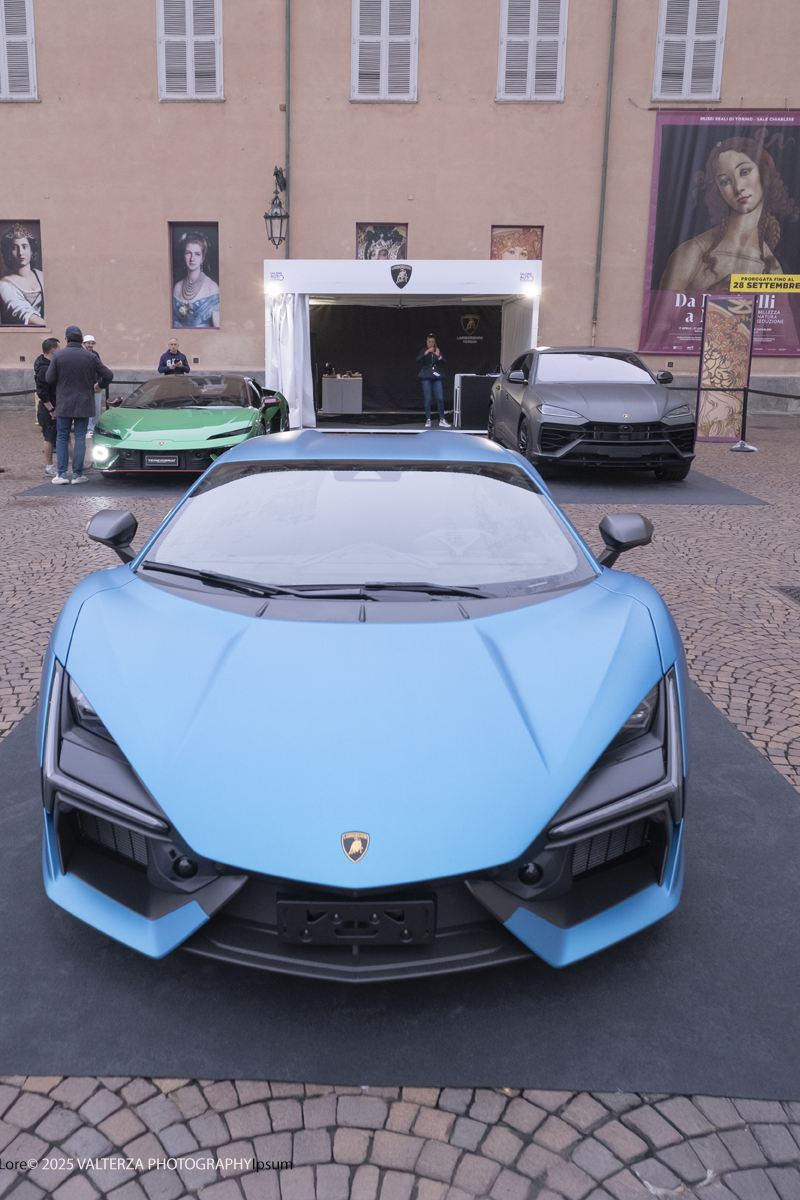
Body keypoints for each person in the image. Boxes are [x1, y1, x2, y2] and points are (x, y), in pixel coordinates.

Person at [659, 137, 800, 292]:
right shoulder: (691, 253)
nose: (738, 187)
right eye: (725, 181)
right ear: (718, 190)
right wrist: (711, 297)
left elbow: (777, 317)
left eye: (745, 172)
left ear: (763, 173)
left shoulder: (773, 270)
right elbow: (661, 316)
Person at [46, 326, 113, 484]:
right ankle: (77, 474)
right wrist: (99, 385)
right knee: (80, 438)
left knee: (62, 437)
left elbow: (49, 378)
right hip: (84, 401)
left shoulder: (58, 355)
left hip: (64, 402)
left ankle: (61, 474)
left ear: (66, 339)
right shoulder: (90, 356)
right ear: (82, 340)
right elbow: (108, 374)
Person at [0, 224, 45, 327]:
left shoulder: (42, 276)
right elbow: (23, 313)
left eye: (24, 246)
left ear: (31, 250)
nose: (21, 252)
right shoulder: (4, 284)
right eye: (15, 248)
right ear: (8, 253)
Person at [172, 231, 220, 328]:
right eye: (188, 253)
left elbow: (218, 327)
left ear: (202, 258)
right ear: (184, 255)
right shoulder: (178, 287)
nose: (192, 259)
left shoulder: (212, 287)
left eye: (197, 254)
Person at [34, 337, 60, 475]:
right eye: (58, 349)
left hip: (54, 405)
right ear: (53, 350)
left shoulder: (47, 364)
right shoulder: (44, 369)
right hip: (48, 408)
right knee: (49, 437)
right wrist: (51, 409)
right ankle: (49, 467)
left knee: (61, 436)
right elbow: (42, 392)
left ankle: (75, 462)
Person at [416, 335, 450, 428]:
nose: (431, 343)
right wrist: (426, 352)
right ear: (427, 342)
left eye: (432, 342)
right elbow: (418, 359)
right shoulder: (424, 350)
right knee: (428, 399)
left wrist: (439, 356)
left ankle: (442, 419)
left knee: (440, 398)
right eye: (429, 342)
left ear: (435, 342)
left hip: (437, 377)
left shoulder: (437, 350)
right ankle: (428, 420)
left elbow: (444, 362)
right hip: (426, 376)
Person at [82, 335, 103, 436]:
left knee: (97, 407)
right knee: (88, 407)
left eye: (92, 343)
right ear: (84, 343)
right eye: (88, 343)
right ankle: (88, 428)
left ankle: (94, 427)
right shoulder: (81, 354)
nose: (90, 345)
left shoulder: (95, 354)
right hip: (85, 386)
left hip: (96, 384)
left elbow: (99, 368)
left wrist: (99, 382)